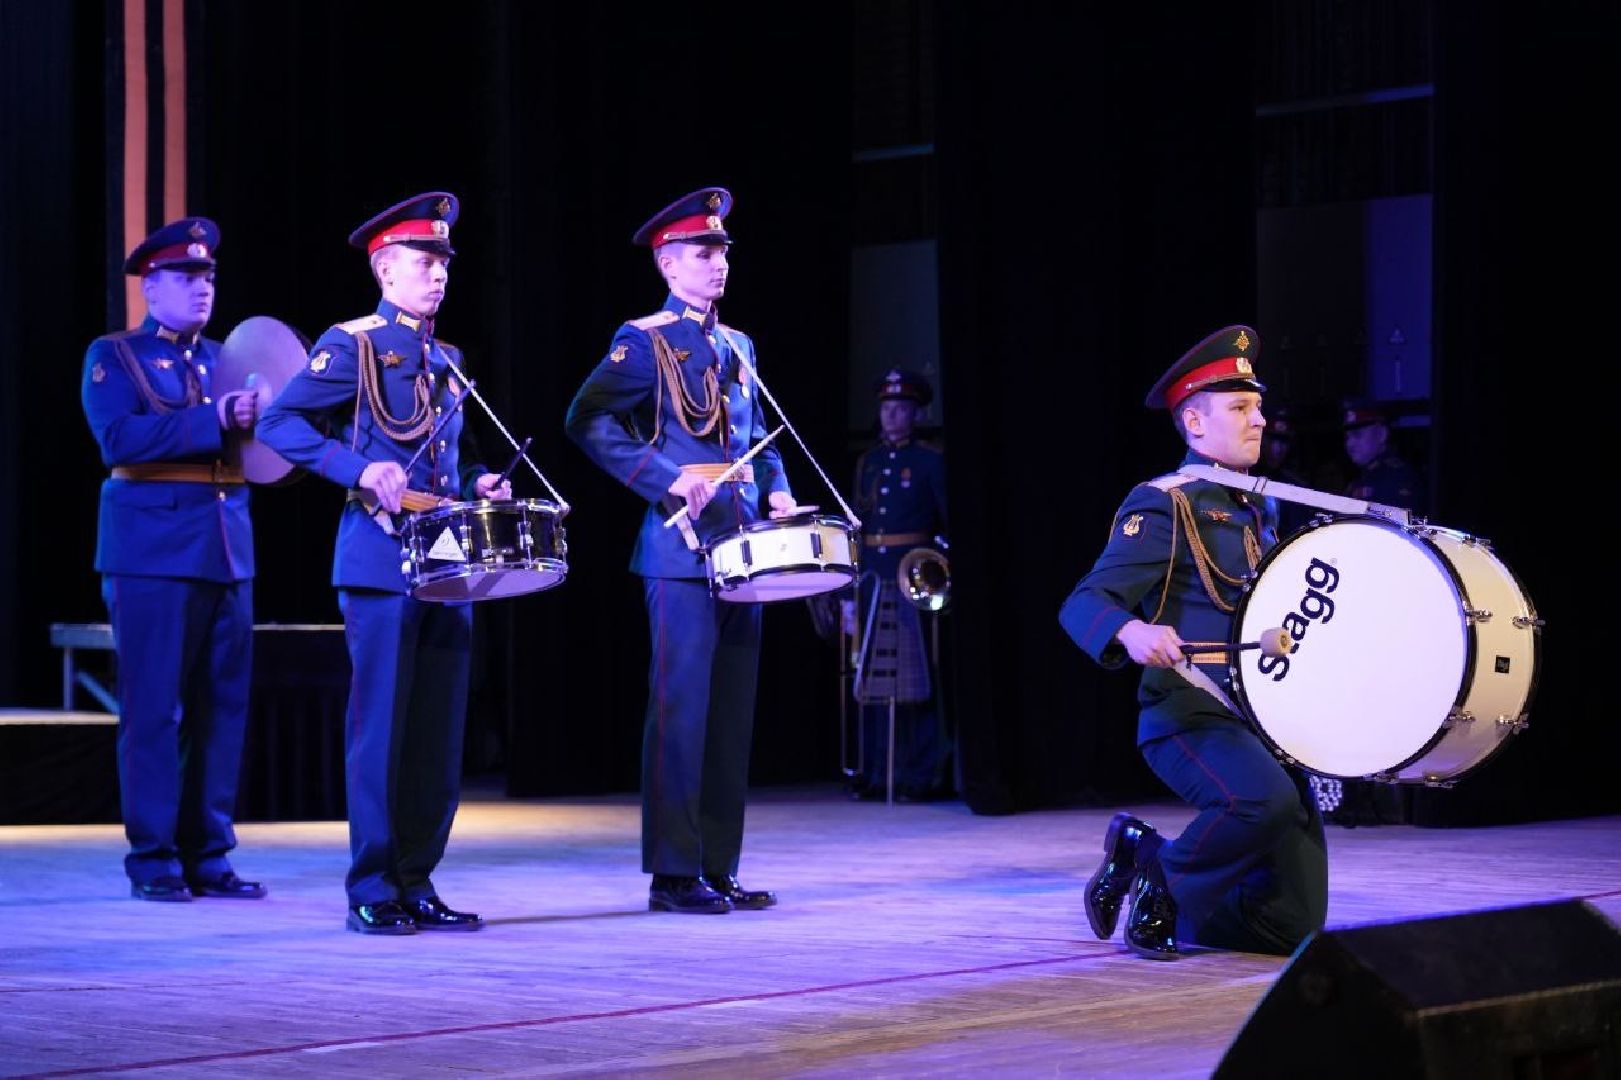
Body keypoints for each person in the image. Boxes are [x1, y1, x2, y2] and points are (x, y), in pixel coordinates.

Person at [256, 192, 508, 935]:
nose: (439, 276)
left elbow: (445, 461)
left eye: (443, 264)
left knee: (437, 732)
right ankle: (371, 884)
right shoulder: (352, 343)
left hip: (446, 561)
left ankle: (417, 879)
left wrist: (476, 485)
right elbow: (279, 421)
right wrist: (356, 469)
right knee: (382, 731)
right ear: (385, 267)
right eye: (424, 263)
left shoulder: (448, 359)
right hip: (377, 559)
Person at [565, 186, 808, 914]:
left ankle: (717, 863)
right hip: (677, 552)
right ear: (668, 264)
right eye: (703, 253)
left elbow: (754, 433)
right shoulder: (641, 340)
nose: (718, 263)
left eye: (722, 250)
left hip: (744, 549)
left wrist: (778, 492)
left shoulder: (737, 345)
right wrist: (664, 480)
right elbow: (586, 418)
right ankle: (674, 874)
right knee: (681, 712)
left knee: (730, 716)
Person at [1058, 325, 1327, 960]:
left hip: (1258, 722)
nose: (1259, 419)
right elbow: (1083, 603)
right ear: (1194, 425)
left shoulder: (1258, 509)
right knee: (1261, 800)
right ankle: (1164, 883)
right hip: (1189, 715)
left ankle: (1146, 856)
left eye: (1258, 406)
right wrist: (1130, 629)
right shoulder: (1164, 505)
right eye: (1240, 408)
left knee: (1290, 929)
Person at [80, 217, 266, 902]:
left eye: (209, 276)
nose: (202, 288)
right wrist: (216, 419)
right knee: (154, 709)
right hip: (151, 552)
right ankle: (154, 857)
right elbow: (118, 438)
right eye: (187, 277)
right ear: (151, 285)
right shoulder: (115, 355)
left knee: (222, 709)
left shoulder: (227, 358)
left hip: (225, 546)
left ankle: (209, 853)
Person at [845, 366, 951, 801]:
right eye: (886, 407)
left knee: (916, 682)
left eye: (900, 408)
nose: (891, 416)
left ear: (915, 413)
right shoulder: (867, 463)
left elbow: (946, 526)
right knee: (873, 681)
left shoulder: (929, 461)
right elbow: (858, 526)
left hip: (914, 580)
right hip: (873, 578)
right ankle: (873, 772)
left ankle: (918, 775)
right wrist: (848, 593)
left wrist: (938, 572)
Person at [1343, 399, 1429, 515]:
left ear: (1382, 434)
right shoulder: (1358, 480)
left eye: (1357, 435)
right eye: (1347, 437)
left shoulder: (1399, 478)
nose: (1350, 444)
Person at [1250, 402, 1314, 538]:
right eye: (1271, 441)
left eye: (1283, 442)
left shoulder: (1297, 487)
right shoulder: (1242, 480)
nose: (1277, 449)